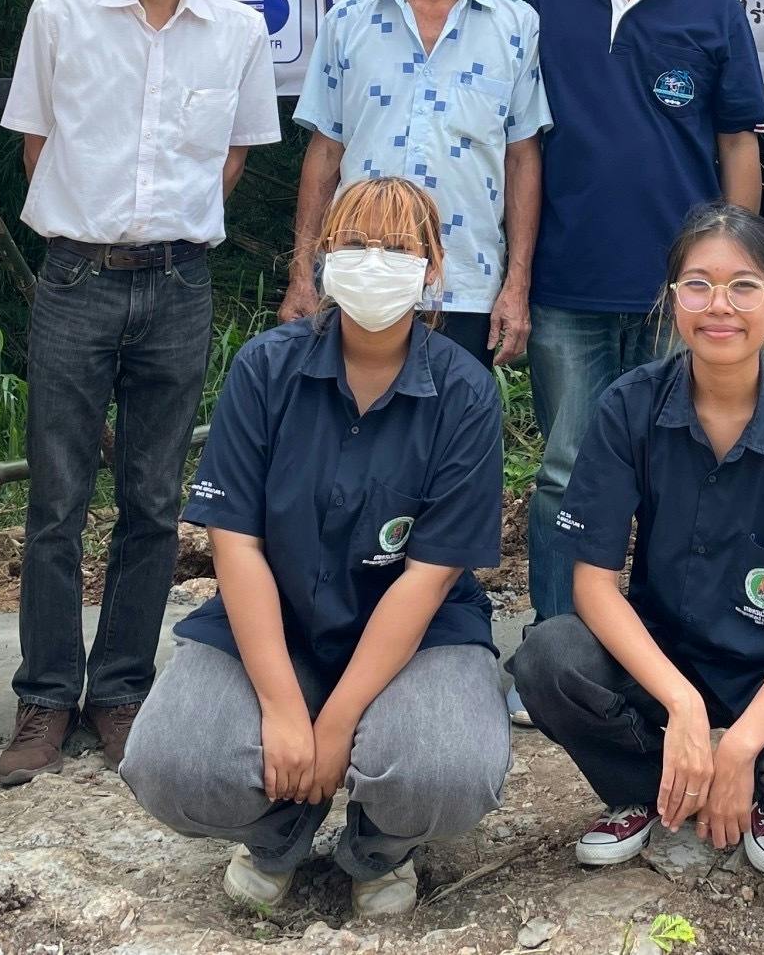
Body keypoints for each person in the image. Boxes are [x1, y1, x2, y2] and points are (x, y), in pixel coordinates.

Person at [120, 177, 509, 919]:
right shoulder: (266, 368)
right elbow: (235, 542)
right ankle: (277, 836)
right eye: (356, 243)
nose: (375, 261)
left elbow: (427, 578)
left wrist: (333, 725)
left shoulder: (465, 392)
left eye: (398, 247)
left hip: (419, 638)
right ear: (323, 254)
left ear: (432, 267)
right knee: (172, 761)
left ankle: (380, 846)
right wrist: (279, 705)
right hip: (281, 621)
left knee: (448, 769)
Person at [0, 0, 282, 785]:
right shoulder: (60, 17)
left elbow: (232, 156)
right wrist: (98, 226)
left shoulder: (237, 33)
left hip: (178, 285)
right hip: (76, 277)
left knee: (155, 499)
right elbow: (35, 147)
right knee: (56, 498)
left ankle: (121, 689)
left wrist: (163, 231)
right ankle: (45, 696)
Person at [509, 204, 764, 882]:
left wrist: (740, 746)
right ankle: (650, 786)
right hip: (667, 658)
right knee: (548, 657)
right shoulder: (630, 406)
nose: (720, 305)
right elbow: (592, 583)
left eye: (744, 285)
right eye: (698, 284)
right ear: (672, 300)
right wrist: (684, 706)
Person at [522, 0, 764, 644]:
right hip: (568, 283)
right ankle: (558, 649)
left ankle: (672, 647)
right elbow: (522, 144)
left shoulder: (715, 11)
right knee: (566, 471)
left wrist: (736, 269)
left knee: (681, 474)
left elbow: (738, 142)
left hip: (684, 296)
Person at [283, 0, 548, 365]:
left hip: (465, 282)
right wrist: (302, 275)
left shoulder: (517, 26)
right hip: (357, 275)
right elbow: (326, 151)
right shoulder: (347, 22)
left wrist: (516, 285)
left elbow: (522, 158)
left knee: (456, 417)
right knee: (352, 415)